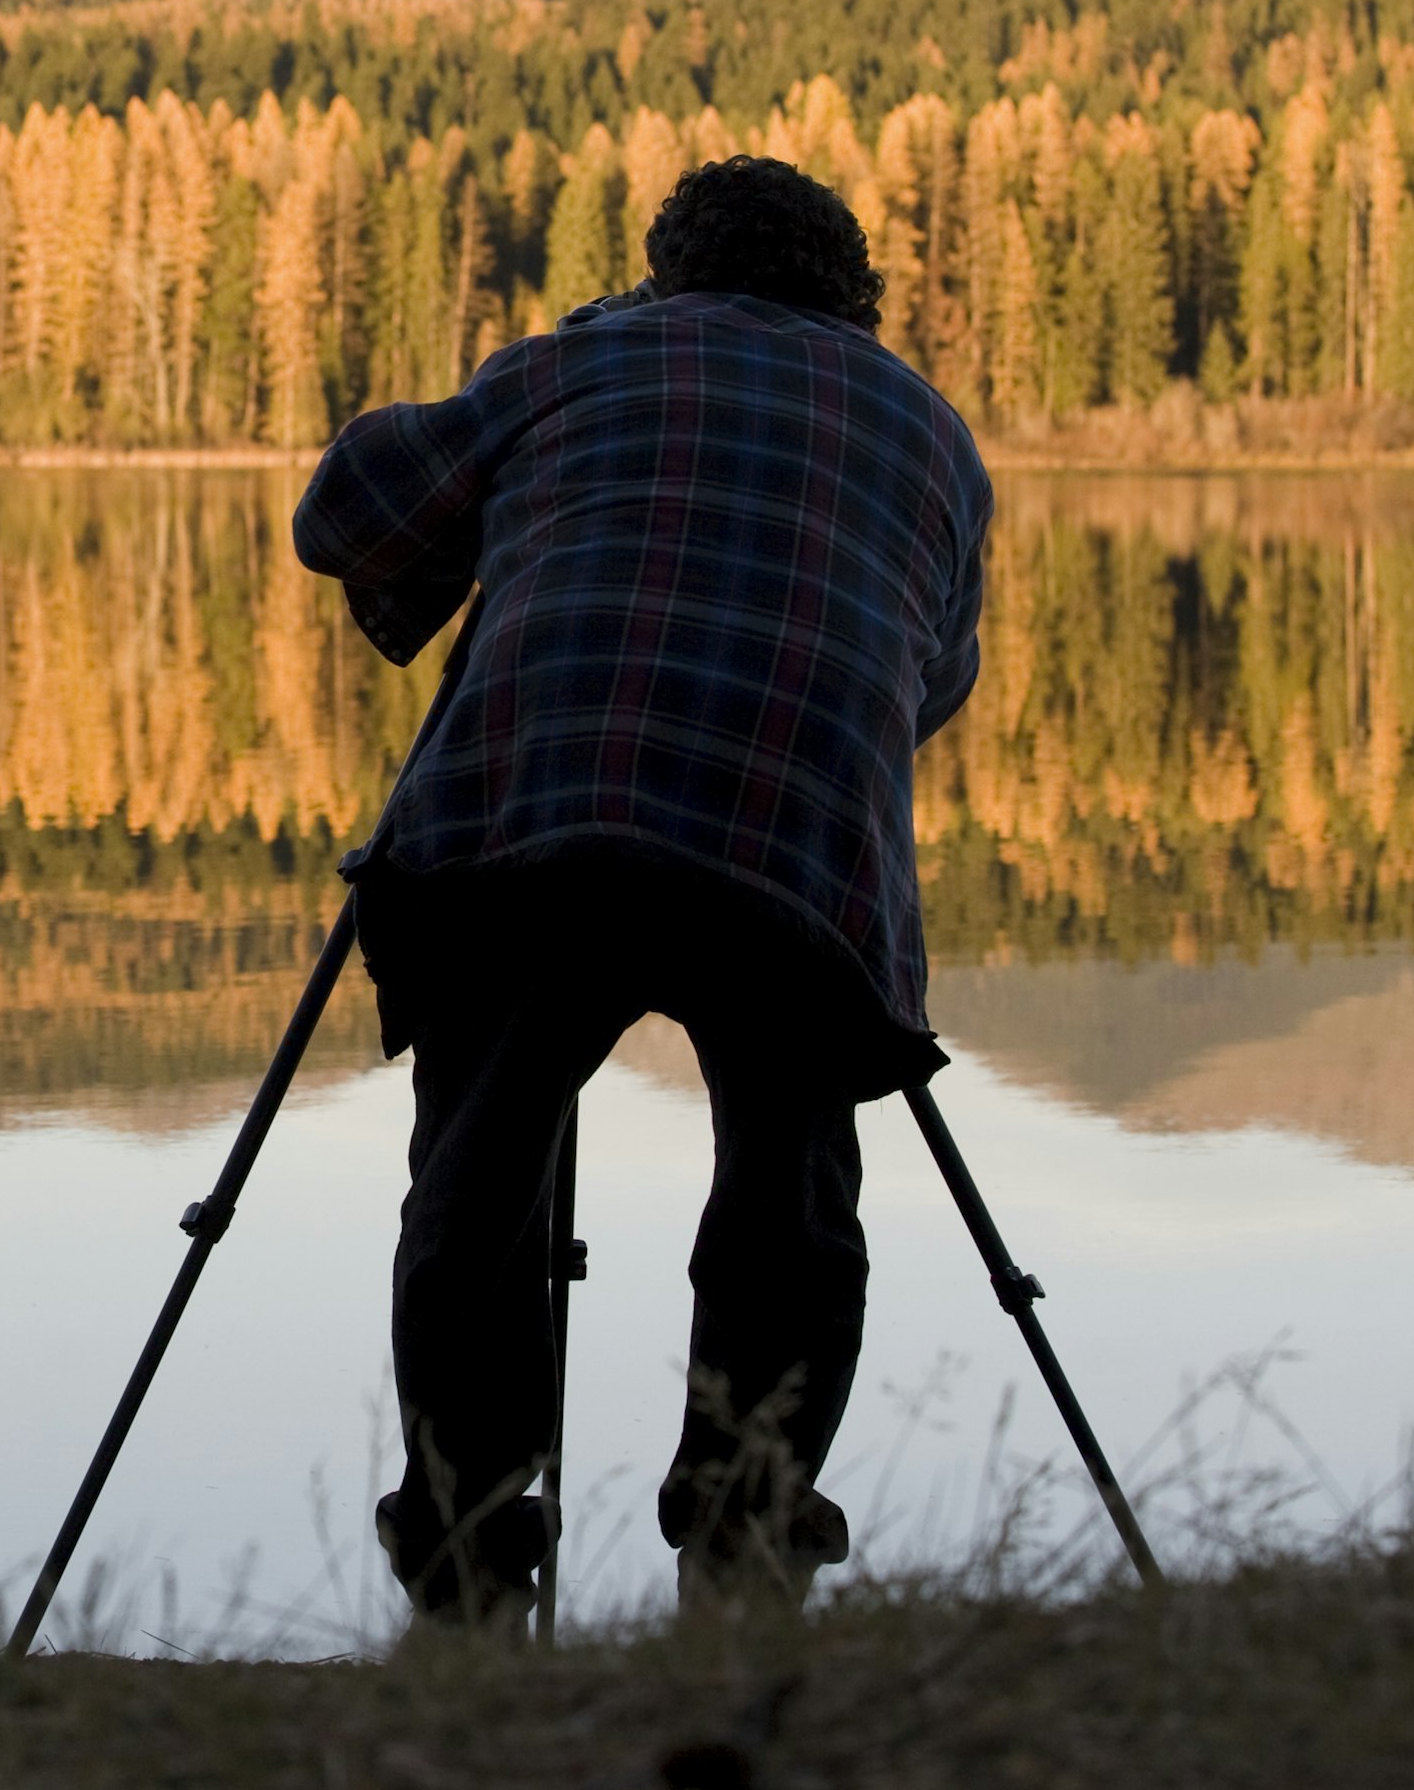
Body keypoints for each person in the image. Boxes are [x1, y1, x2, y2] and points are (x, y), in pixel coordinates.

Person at [290, 153, 990, 1627]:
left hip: (539, 813)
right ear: (854, 294)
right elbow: (935, 677)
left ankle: (471, 1544)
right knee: (791, 1200)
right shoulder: (934, 433)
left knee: (476, 1182)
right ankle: (745, 1531)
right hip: (800, 845)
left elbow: (343, 510)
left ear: (672, 269)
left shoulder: (591, 357)